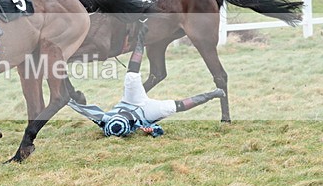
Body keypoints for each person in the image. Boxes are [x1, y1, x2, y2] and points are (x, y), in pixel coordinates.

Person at [68, 23, 224, 138]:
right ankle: (212, 94)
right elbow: (159, 131)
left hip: (129, 101)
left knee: (131, 75)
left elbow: (83, 110)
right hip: (147, 111)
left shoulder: (104, 119)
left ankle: (141, 40)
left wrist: (67, 100)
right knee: (178, 106)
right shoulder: (140, 125)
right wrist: (153, 132)